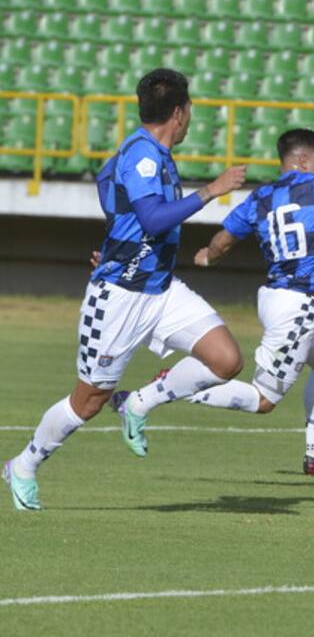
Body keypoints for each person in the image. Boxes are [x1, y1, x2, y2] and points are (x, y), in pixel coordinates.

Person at [3, 68, 247, 511]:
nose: (190, 117)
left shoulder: (148, 152)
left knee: (226, 359)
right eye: (189, 109)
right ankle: (23, 465)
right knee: (88, 400)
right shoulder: (145, 156)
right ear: (178, 112)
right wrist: (213, 189)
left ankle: (138, 403)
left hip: (161, 288)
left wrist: (117, 237)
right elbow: (153, 219)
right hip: (119, 297)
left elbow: (106, 181)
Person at [110, 129, 314, 474]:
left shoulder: (262, 196)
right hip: (298, 305)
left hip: (276, 297)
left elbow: (224, 239)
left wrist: (210, 255)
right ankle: (164, 390)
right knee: (263, 401)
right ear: (303, 160)